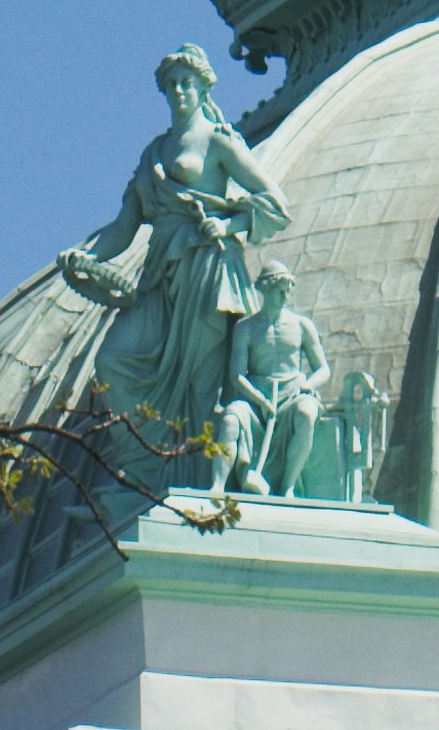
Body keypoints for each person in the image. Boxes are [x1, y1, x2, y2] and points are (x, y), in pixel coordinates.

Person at [63, 49, 291, 450]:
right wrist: (87, 256)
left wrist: (227, 224)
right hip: (160, 275)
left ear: (204, 87)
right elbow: (123, 227)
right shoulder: (154, 152)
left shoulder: (220, 142)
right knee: (112, 360)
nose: (179, 90)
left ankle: (193, 464)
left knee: (199, 379)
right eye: (172, 84)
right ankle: (144, 460)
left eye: (187, 82)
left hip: (208, 269)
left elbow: (273, 202)